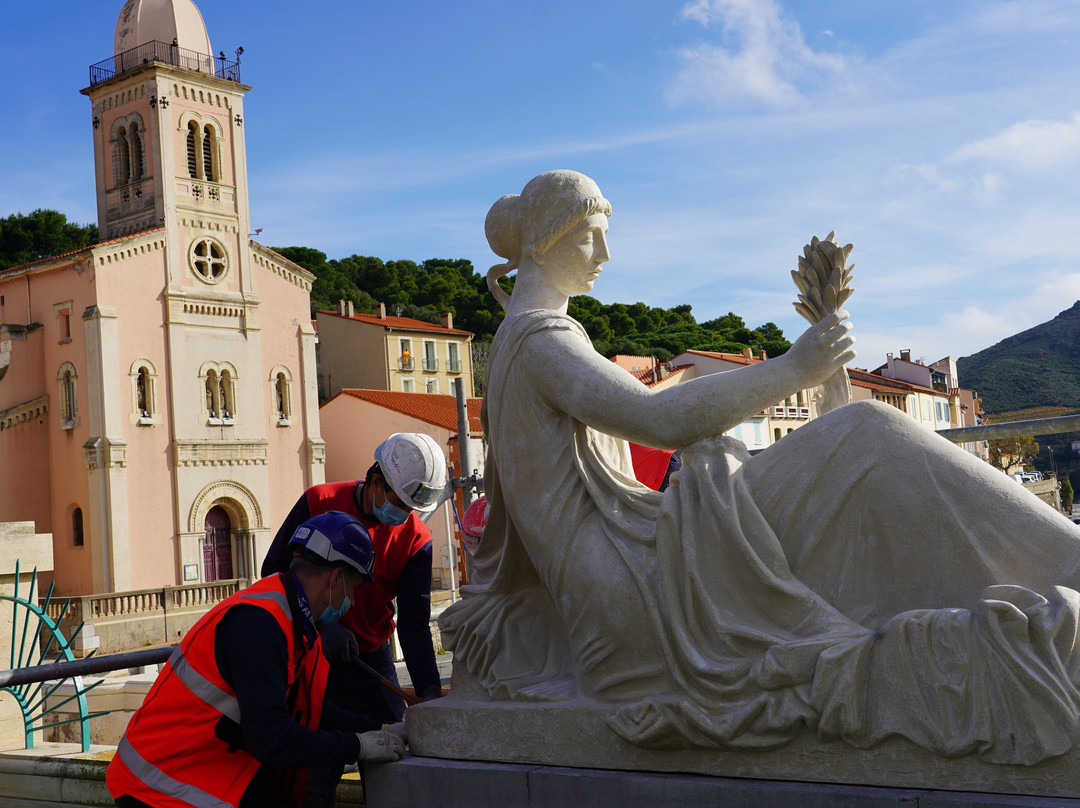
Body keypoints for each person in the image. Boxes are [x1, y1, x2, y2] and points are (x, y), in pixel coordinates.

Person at [440, 170, 1080, 766]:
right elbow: (662, 421)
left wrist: (806, 378)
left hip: (637, 562)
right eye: (590, 237)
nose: (605, 256)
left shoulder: (524, 341)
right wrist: (791, 370)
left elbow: (657, 417)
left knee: (857, 447)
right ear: (547, 241)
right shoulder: (540, 340)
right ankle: (1070, 563)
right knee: (868, 432)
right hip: (638, 587)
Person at [107, 511, 406, 808]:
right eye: (352, 588)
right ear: (336, 577)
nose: (351, 602)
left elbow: (309, 710)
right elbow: (272, 739)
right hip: (157, 785)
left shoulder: (290, 616)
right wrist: (358, 747)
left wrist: (379, 730)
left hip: (199, 769)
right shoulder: (260, 628)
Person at [262, 433, 447, 723]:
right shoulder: (319, 501)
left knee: (391, 748)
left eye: (412, 509)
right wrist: (317, 626)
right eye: (401, 504)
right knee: (318, 756)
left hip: (372, 658)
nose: (406, 515)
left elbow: (414, 622)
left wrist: (430, 689)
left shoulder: (415, 538)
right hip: (310, 650)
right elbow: (273, 573)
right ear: (376, 483)